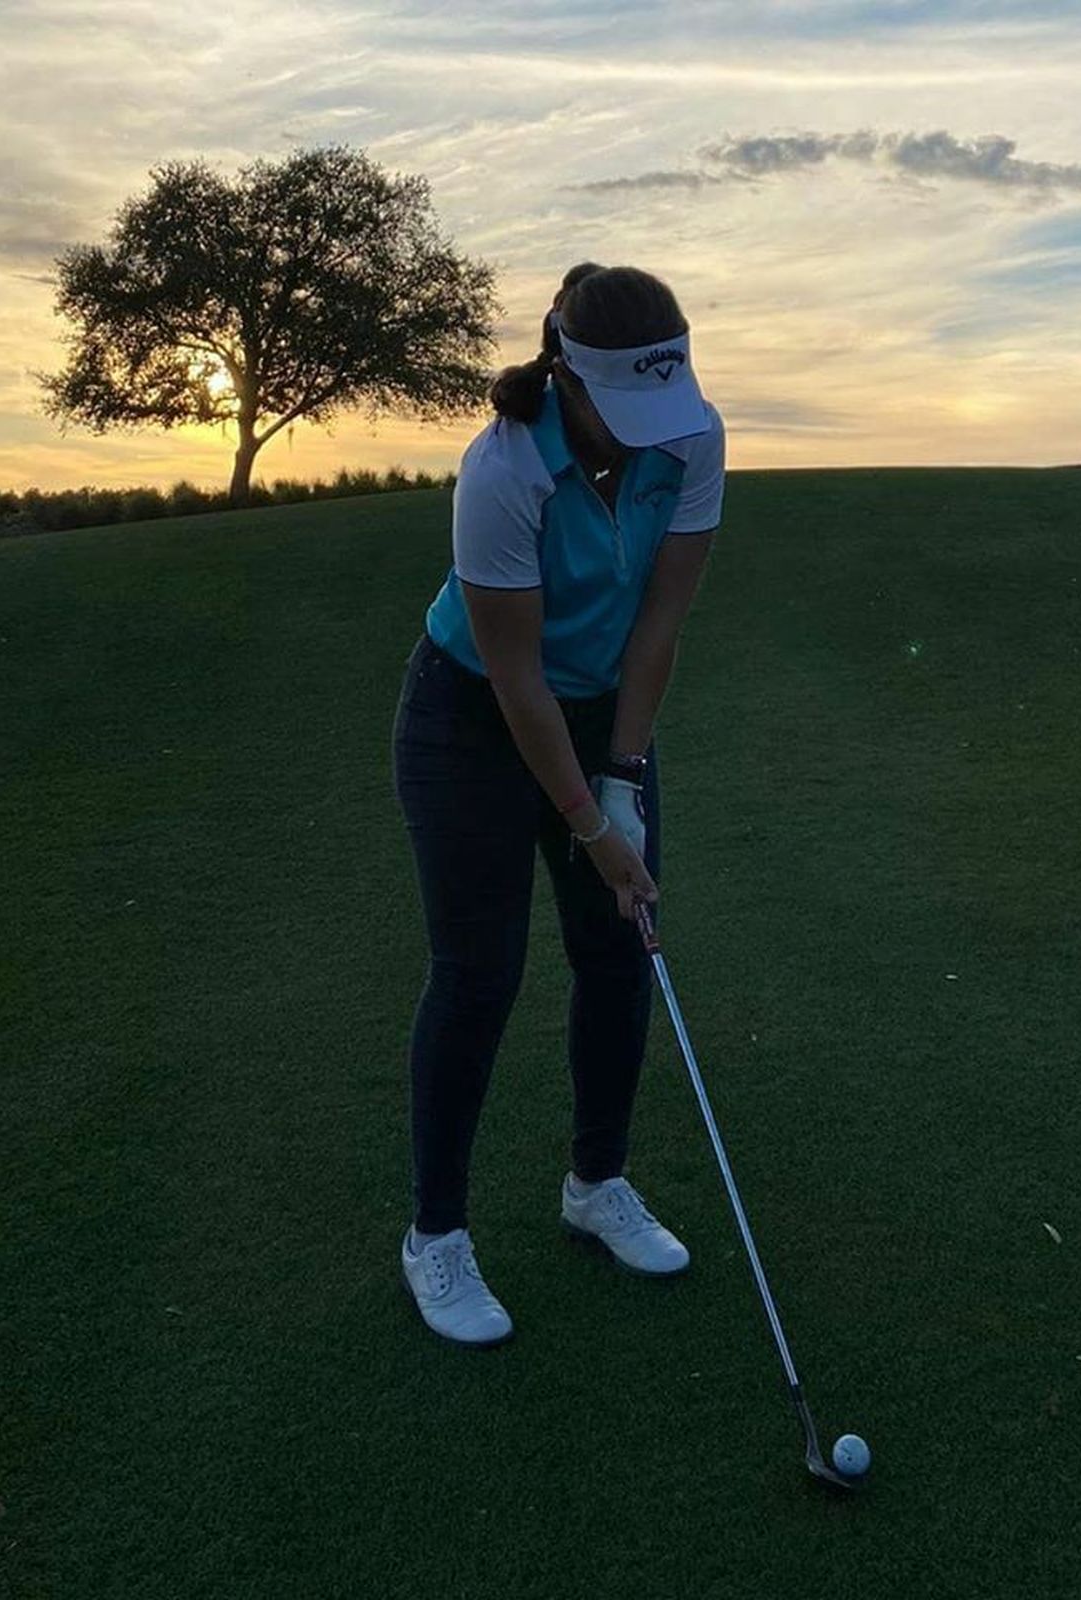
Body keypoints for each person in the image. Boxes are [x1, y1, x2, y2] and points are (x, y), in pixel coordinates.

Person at [391, 263, 726, 1345]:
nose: (643, 436)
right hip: (472, 719)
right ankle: (435, 1237)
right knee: (478, 972)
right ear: (566, 377)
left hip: (598, 715)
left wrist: (623, 779)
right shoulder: (499, 472)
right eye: (620, 412)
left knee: (620, 950)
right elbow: (518, 676)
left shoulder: (692, 439)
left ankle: (596, 1183)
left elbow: (658, 626)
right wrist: (590, 827)